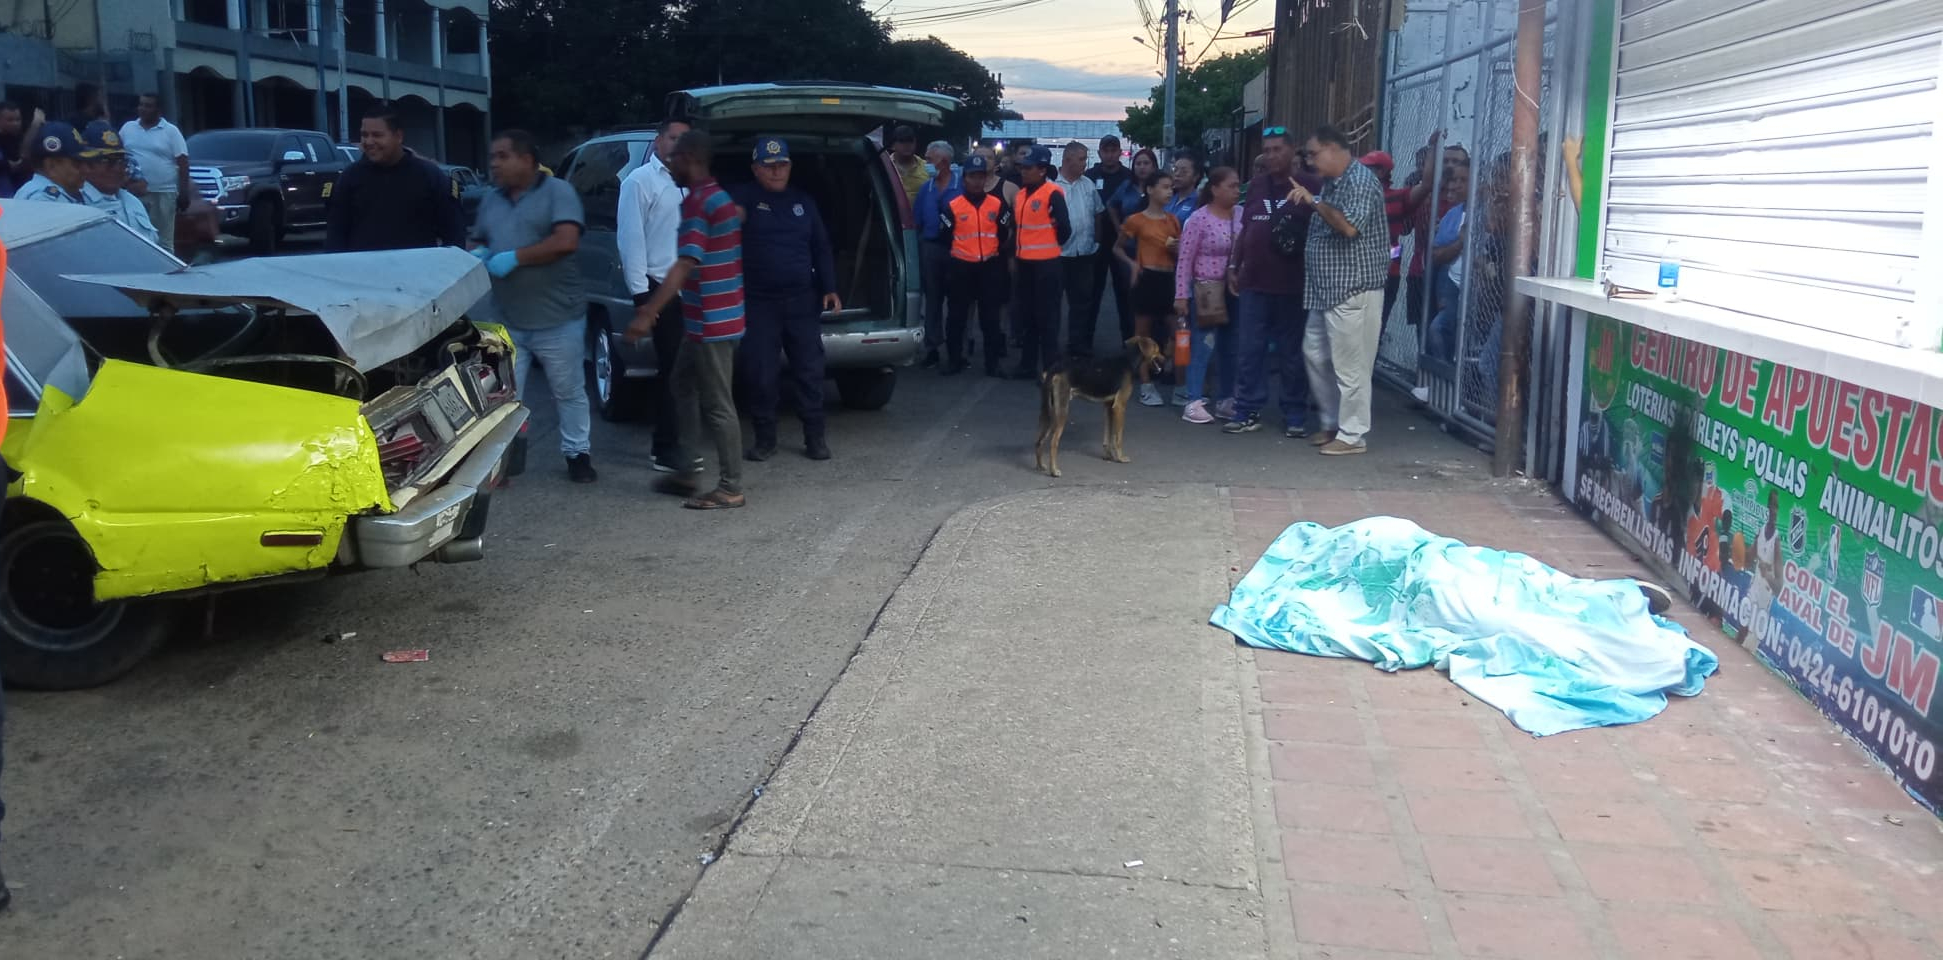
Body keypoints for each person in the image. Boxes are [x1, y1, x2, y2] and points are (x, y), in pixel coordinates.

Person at [626, 129, 747, 510]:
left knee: (717, 403)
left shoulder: (701, 202)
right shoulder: (714, 198)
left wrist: (648, 310)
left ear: (691, 158)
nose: (669, 162)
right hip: (707, 318)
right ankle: (688, 469)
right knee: (681, 384)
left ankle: (730, 487)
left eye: (675, 157)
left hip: (712, 321)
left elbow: (684, 263)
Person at [469, 129, 594, 483]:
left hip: (558, 315)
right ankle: (505, 460)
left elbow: (566, 240)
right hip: (507, 317)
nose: (494, 163)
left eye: (502, 156)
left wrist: (515, 258)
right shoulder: (492, 199)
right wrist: (478, 250)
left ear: (526, 160)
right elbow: (478, 237)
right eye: (493, 156)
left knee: (567, 389)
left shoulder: (559, 193)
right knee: (505, 397)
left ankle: (577, 453)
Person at [731, 136, 840, 462]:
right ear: (755, 168)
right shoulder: (743, 199)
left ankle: (815, 438)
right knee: (761, 373)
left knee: (809, 371)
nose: (777, 172)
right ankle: (765, 439)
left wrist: (829, 287)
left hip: (800, 301)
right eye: (769, 166)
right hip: (759, 302)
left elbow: (821, 246)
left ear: (790, 166)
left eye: (783, 165)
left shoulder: (803, 202)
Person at [1292, 125, 1388, 456]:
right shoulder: (1333, 181)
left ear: (1334, 149)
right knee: (1315, 354)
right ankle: (1333, 422)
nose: (1309, 161)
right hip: (1326, 290)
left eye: (1313, 154)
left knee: (1351, 365)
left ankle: (1353, 433)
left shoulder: (1361, 181)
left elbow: (1348, 227)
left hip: (1353, 288)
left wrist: (1314, 201)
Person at [1223, 126, 1321, 436]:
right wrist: (1233, 264)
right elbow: (1247, 227)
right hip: (1254, 281)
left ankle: (1294, 414)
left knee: (1292, 353)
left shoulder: (1311, 185)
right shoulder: (1256, 186)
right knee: (1250, 349)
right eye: (1267, 149)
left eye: (1278, 149)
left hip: (1293, 284)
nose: (1272, 155)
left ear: (1292, 152)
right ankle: (1246, 410)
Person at [619, 118, 702, 476]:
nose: (677, 144)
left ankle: (683, 442)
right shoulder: (639, 182)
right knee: (671, 370)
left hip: (693, 290)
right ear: (658, 141)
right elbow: (631, 241)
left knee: (689, 371)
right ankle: (665, 448)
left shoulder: (691, 183)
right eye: (672, 138)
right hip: (658, 286)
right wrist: (641, 298)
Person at [325, 109, 466, 252]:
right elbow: (335, 237)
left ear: (398, 136)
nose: (368, 142)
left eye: (377, 135)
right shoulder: (349, 178)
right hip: (365, 270)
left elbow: (454, 237)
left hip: (416, 270)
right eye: (364, 135)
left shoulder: (430, 177)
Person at [1174, 166, 1244, 424]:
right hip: (1206, 290)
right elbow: (1185, 259)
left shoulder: (1241, 215)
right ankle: (1193, 399)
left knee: (1231, 346)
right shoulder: (1198, 219)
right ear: (1214, 189)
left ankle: (1227, 398)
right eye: (1231, 186)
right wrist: (1181, 295)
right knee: (1204, 345)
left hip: (1234, 289)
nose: (1237, 191)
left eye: (1238, 186)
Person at [939, 154, 1011, 376]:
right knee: (956, 318)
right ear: (965, 178)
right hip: (961, 268)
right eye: (972, 176)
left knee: (990, 319)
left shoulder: (997, 204)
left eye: (981, 176)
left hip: (989, 267)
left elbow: (1003, 233)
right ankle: (954, 360)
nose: (977, 181)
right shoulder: (952, 206)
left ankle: (992, 364)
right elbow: (945, 237)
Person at [1114, 170, 1180, 406]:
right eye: (1164, 186)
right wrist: (1133, 264)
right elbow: (1117, 248)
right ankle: (1145, 385)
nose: (1169, 191)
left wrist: (1177, 250)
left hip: (1168, 278)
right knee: (1143, 336)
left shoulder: (1173, 220)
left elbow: (1181, 251)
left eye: (1171, 187)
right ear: (1150, 190)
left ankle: (1176, 376)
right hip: (1146, 278)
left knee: (1180, 333)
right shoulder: (1136, 220)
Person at [1010, 144, 1072, 378]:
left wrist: (1050, 246)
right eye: (1022, 167)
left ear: (1042, 169)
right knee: (1028, 317)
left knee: (1048, 319)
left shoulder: (1052, 193)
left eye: (1028, 168)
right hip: (1025, 264)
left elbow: (1065, 228)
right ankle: (1027, 365)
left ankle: (1050, 370)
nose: (1023, 171)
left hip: (1047, 265)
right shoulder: (1020, 195)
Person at [118, 94, 191, 254]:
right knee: (137, 237)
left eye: (148, 106)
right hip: (133, 193)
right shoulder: (127, 128)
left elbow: (183, 163)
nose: (142, 109)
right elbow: (118, 156)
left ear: (159, 110)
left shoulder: (171, 131)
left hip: (163, 193)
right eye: (141, 105)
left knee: (163, 241)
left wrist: (184, 192)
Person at [913, 140, 962, 368]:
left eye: (929, 159)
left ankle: (956, 349)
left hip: (957, 249)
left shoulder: (962, 186)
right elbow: (917, 221)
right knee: (932, 300)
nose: (926, 163)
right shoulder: (926, 189)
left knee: (957, 301)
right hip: (931, 248)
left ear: (944, 161)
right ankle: (932, 347)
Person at [1054, 141, 1104, 357]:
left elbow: (1098, 213)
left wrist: (1097, 242)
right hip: (1058, 255)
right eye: (1082, 158)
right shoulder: (1052, 186)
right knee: (1053, 303)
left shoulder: (1088, 185)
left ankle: (1077, 345)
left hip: (1084, 253)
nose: (1086, 163)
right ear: (1067, 159)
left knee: (1082, 303)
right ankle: (1050, 348)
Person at [1105, 148, 1160, 343]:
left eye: (1146, 163)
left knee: (1153, 301)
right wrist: (1119, 227)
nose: (1142, 167)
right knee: (1131, 299)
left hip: (1156, 252)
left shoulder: (1161, 187)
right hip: (1129, 250)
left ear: (1154, 166)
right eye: (1138, 163)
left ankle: (1153, 348)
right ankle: (1132, 344)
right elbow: (1111, 205)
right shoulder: (1126, 187)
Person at [1084, 135, 1133, 351]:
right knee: (1092, 293)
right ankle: (1084, 343)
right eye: (1106, 150)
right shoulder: (1089, 176)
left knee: (1125, 294)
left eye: (1114, 150)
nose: (1110, 154)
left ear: (1120, 152)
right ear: (1100, 152)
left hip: (1122, 242)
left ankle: (1129, 343)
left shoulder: (1128, 177)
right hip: (1096, 242)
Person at [79, 122, 159, 244]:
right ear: (86, 165)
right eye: (107, 161)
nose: (117, 168)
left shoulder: (132, 201)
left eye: (121, 161)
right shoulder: (78, 205)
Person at [15, 121, 91, 204]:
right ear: (51, 166)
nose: (86, 170)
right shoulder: (42, 199)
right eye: (77, 164)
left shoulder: (67, 194)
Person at [0, 102, 45, 198]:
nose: (15, 123)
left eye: (18, 119)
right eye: (10, 120)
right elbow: (19, 162)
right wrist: (35, 125)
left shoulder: (19, 136)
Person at [888, 125, 927, 204]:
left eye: (910, 141)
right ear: (893, 145)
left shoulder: (927, 167)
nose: (907, 145)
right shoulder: (884, 166)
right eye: (902, 141)